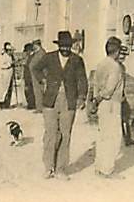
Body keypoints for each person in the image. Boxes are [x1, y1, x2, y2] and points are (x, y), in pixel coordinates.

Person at [31, 31, 88, 180]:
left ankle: (61, 168)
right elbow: (35, 68)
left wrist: (81, 97)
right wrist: (42, 80)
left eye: (68, 46)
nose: (65, 49)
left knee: (65, 134)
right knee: (50, 133)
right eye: (63, 46)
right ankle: (49, 167)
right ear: (58, 45)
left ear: (71, 46)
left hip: (69, 101)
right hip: (50, 100)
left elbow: (82, 80)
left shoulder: (77, 60)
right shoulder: (49, 58)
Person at [92, 37, 126, 179]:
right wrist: (100, 97)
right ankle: (108, 169)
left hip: (102, 104)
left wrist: (95, 100)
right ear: (117, 51)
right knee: (113, 136)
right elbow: (109, 89)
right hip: (111, 103)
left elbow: (95, 84)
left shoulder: (101, 64)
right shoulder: (115, 67)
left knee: (103, 136)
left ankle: (99, 167)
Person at [118, 45, 134, 146]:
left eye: (124, 55)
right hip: (115, 97)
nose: (123, 57)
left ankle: (127, 138)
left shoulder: (122, 67)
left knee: (125, 116)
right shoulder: (114, 66)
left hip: (122, 95)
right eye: (121, 55)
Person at [0, 43, 15, 110]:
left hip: (9, 75)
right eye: (10, 50)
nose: (11, 52)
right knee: (2, 90)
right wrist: (9, 65)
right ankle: (0, 104)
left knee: (9, 90)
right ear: (7, 51)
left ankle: (7, 104)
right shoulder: (2, 57)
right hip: (3, 76)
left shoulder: (11, 57)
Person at [29, 40, 46, 113]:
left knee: (39, 91)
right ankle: (39, 107)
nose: (33, 46)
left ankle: (40, 108)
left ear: (37, 45)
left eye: (34, 45)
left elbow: (42, 65)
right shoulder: (37, 53)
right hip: (35, 75)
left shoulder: (41, 53)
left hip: (39, 75)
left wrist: (43, 76)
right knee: (37, 91)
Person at [22, 43, 36, 109]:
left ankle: (31, 104)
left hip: (30, 76)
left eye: (27, 51)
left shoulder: (32, 57)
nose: (26, 52)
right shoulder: (28, 57)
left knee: (29, 90)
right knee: (27, 90)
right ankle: (30, 104)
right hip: (27, 76)